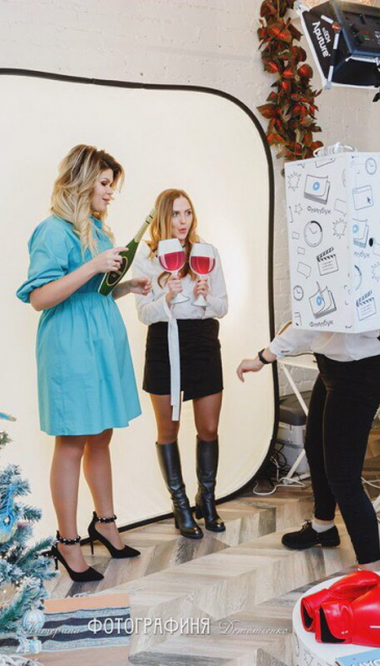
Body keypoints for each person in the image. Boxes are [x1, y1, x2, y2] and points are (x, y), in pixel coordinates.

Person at [16, 144, 151, 582]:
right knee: (72, 441)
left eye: (113, 185)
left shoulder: (98, 230)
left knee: (102, 435)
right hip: (70, 343)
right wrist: (93, 266)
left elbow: (96, 290)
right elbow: (40, 297)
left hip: (102, 337)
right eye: (105, 183)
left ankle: (106, 524)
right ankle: (68, 541)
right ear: (83, 181)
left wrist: (126, 286)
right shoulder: (52, 231)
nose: (111, 192)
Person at [237, 328, 380, 570]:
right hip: (332, 369)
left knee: (343, 477)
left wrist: (263, 358)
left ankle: (373, 570)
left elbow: (307, 325)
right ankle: (323, 527)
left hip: (356, 375)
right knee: (315, 449)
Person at [133, 189, 228, 539]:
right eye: (175, 214)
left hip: (203, 341)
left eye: (187, 212)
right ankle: (180, 505)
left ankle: (207, 499)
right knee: (168, 430)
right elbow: (144, 314)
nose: (183, 220)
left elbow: (223, 306)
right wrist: (168, 298)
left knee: (209, 429)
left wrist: (205, 297)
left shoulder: (206, 253)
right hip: (164, 343)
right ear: (163, 217)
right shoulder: (147, 259)